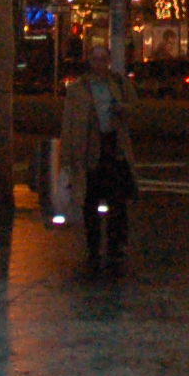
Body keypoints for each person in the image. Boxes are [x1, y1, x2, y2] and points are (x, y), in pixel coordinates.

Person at [63, 45, 135, 273]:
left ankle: (115, 246)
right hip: (89, 149)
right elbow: (69, 122)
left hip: (113, 147)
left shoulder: (118, 83)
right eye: (95, 59)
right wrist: (68, 157)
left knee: (117, 200)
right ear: (89, 62)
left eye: (103, 59)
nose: (100, 64)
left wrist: (122, 109)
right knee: (90, 200)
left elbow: (134, 108)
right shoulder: (78, 89)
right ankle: (94, 247)